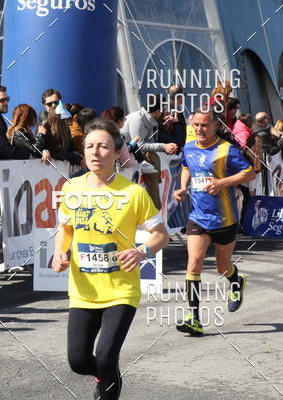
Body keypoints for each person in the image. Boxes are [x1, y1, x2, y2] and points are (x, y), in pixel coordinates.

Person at [53, 118, 169, 400]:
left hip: (121, 290)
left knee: (105, 356)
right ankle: (105, 375)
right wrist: (60, 252)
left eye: (103, 146)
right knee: (78, 361)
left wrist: (141, 251)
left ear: (117, 153)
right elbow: (65, 229)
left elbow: (161, 234)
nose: (95, 152)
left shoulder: (133, 193)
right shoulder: (72, 188)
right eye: (89, 146)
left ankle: (106, 379)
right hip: (84, 290)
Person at [173, 107, 256, 336]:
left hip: (224, 218)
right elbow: (186, 166)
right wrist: (182, 188)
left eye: (205, 125)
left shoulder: (227, 150)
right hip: (198, 217)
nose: (200, 129)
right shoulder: (189, 147)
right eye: (196, 125)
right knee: (193, 264)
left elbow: (250, 173)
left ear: (216, 126)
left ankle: (235, 280)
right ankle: (194, 319)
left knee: (222, 267)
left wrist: (222, 183)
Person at [121, 95, 178, 210]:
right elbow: (139, 145)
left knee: (153, 163)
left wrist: (168, 146)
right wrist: (164, 146)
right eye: (162, 110)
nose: (164, 113)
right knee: (151, 170)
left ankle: (155, 206)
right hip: (127, 154)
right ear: (156, 111)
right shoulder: (138, 119)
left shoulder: (150, 120)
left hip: (135, 153)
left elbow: (150, 143)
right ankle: (154, 208)